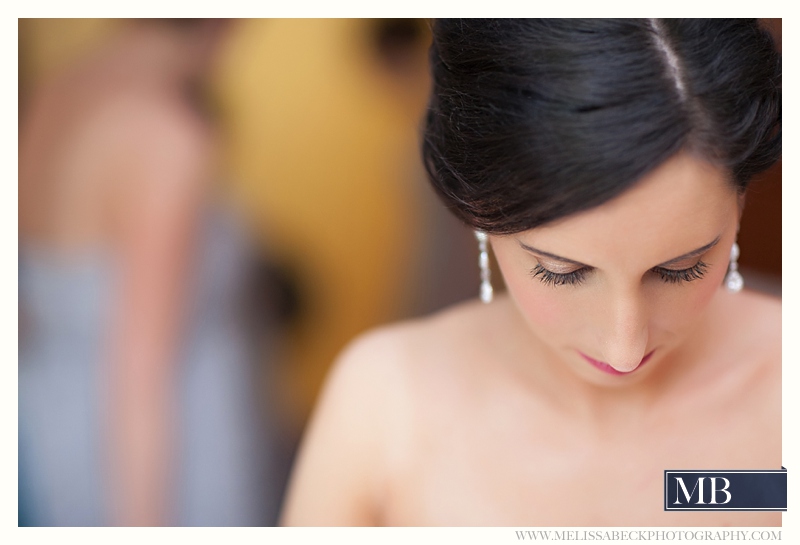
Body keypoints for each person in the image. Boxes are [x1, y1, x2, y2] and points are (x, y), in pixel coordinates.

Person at [280, 19, 781, 526]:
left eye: (680, 269)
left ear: (739, 202)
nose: (623, 348)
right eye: (561, 272)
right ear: (479, 209)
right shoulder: (387, 402)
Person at [19, 19, 279, 526]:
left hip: (44, 430)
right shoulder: (165, 134)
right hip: (154, 464)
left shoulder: (55, 91)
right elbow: (140, 379)